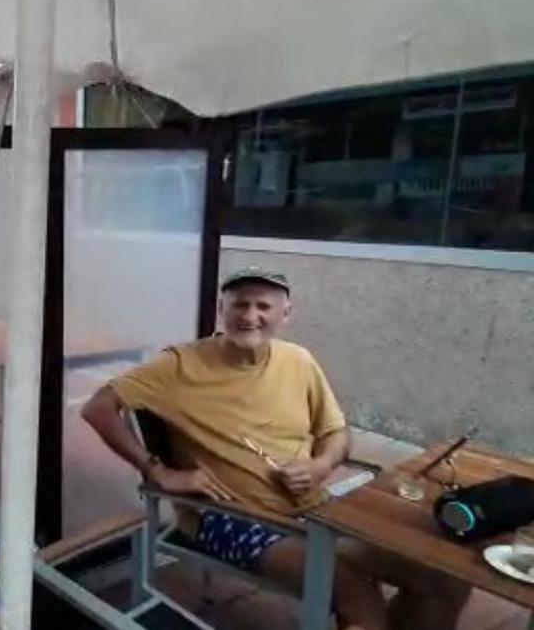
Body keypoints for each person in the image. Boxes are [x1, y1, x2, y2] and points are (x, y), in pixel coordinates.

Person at [80, 267, 470, 630]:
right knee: (356, 593)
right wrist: (157, 470)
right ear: (222, 309)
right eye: (240, 304)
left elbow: (336, 433)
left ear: (286, 314)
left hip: (314, 510)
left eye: (263, 305)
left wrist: (320, 466)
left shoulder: (298, 361)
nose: (250, 315)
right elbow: (98, 408)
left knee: (442, 579)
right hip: (231, 518)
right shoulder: (178, 365)